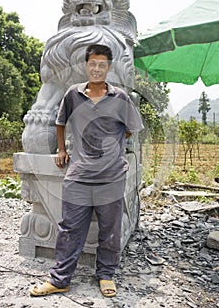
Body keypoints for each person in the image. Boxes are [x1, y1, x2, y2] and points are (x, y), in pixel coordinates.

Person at [30, 44, 143, 298]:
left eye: (102, 64)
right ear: (86, 65)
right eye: (92, 64)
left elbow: (129, 128)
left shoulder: (120, 98)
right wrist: (61, 149)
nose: (96, 68)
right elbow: (60, 122)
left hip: (111, 176)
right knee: (70, 228)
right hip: (78, 175)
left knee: (110, 229)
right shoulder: (72, 94)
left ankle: (106, 275)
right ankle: (60, 279)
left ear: (109, 67)